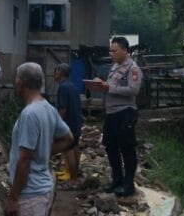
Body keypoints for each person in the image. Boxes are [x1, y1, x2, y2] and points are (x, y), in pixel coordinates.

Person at [6, 62, 73, 216]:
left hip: (30, 194)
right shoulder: (48, 108)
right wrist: (45, 151)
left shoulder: (29, 114)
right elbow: (68, 138)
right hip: (44, 188)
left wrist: (13, 197)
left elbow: (25, 160)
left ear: (19, 83)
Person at [88, 37, 143, 197]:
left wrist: (109, 88)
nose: (111, 53)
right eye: (110, 50)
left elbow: (133, 91)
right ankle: (117, 180)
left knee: (127, 148)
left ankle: (128, 185)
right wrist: (100, 83)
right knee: (110, 147)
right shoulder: (114, 67)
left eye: (114, 50)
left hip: (125, 113)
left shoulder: (133, 69)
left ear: (125, 50)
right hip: (111, 113)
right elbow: (111, 85)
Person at [53, 63, 83, 188]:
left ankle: (74, 180)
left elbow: (63, 108)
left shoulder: (63, 88)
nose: (54, 74)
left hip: (68, 123)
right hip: (76, 122)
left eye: (55, 72)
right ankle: (74, 175)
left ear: (60, 73)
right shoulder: (72, 86)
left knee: (68, 150)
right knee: (75, 148)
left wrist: (58, 124)